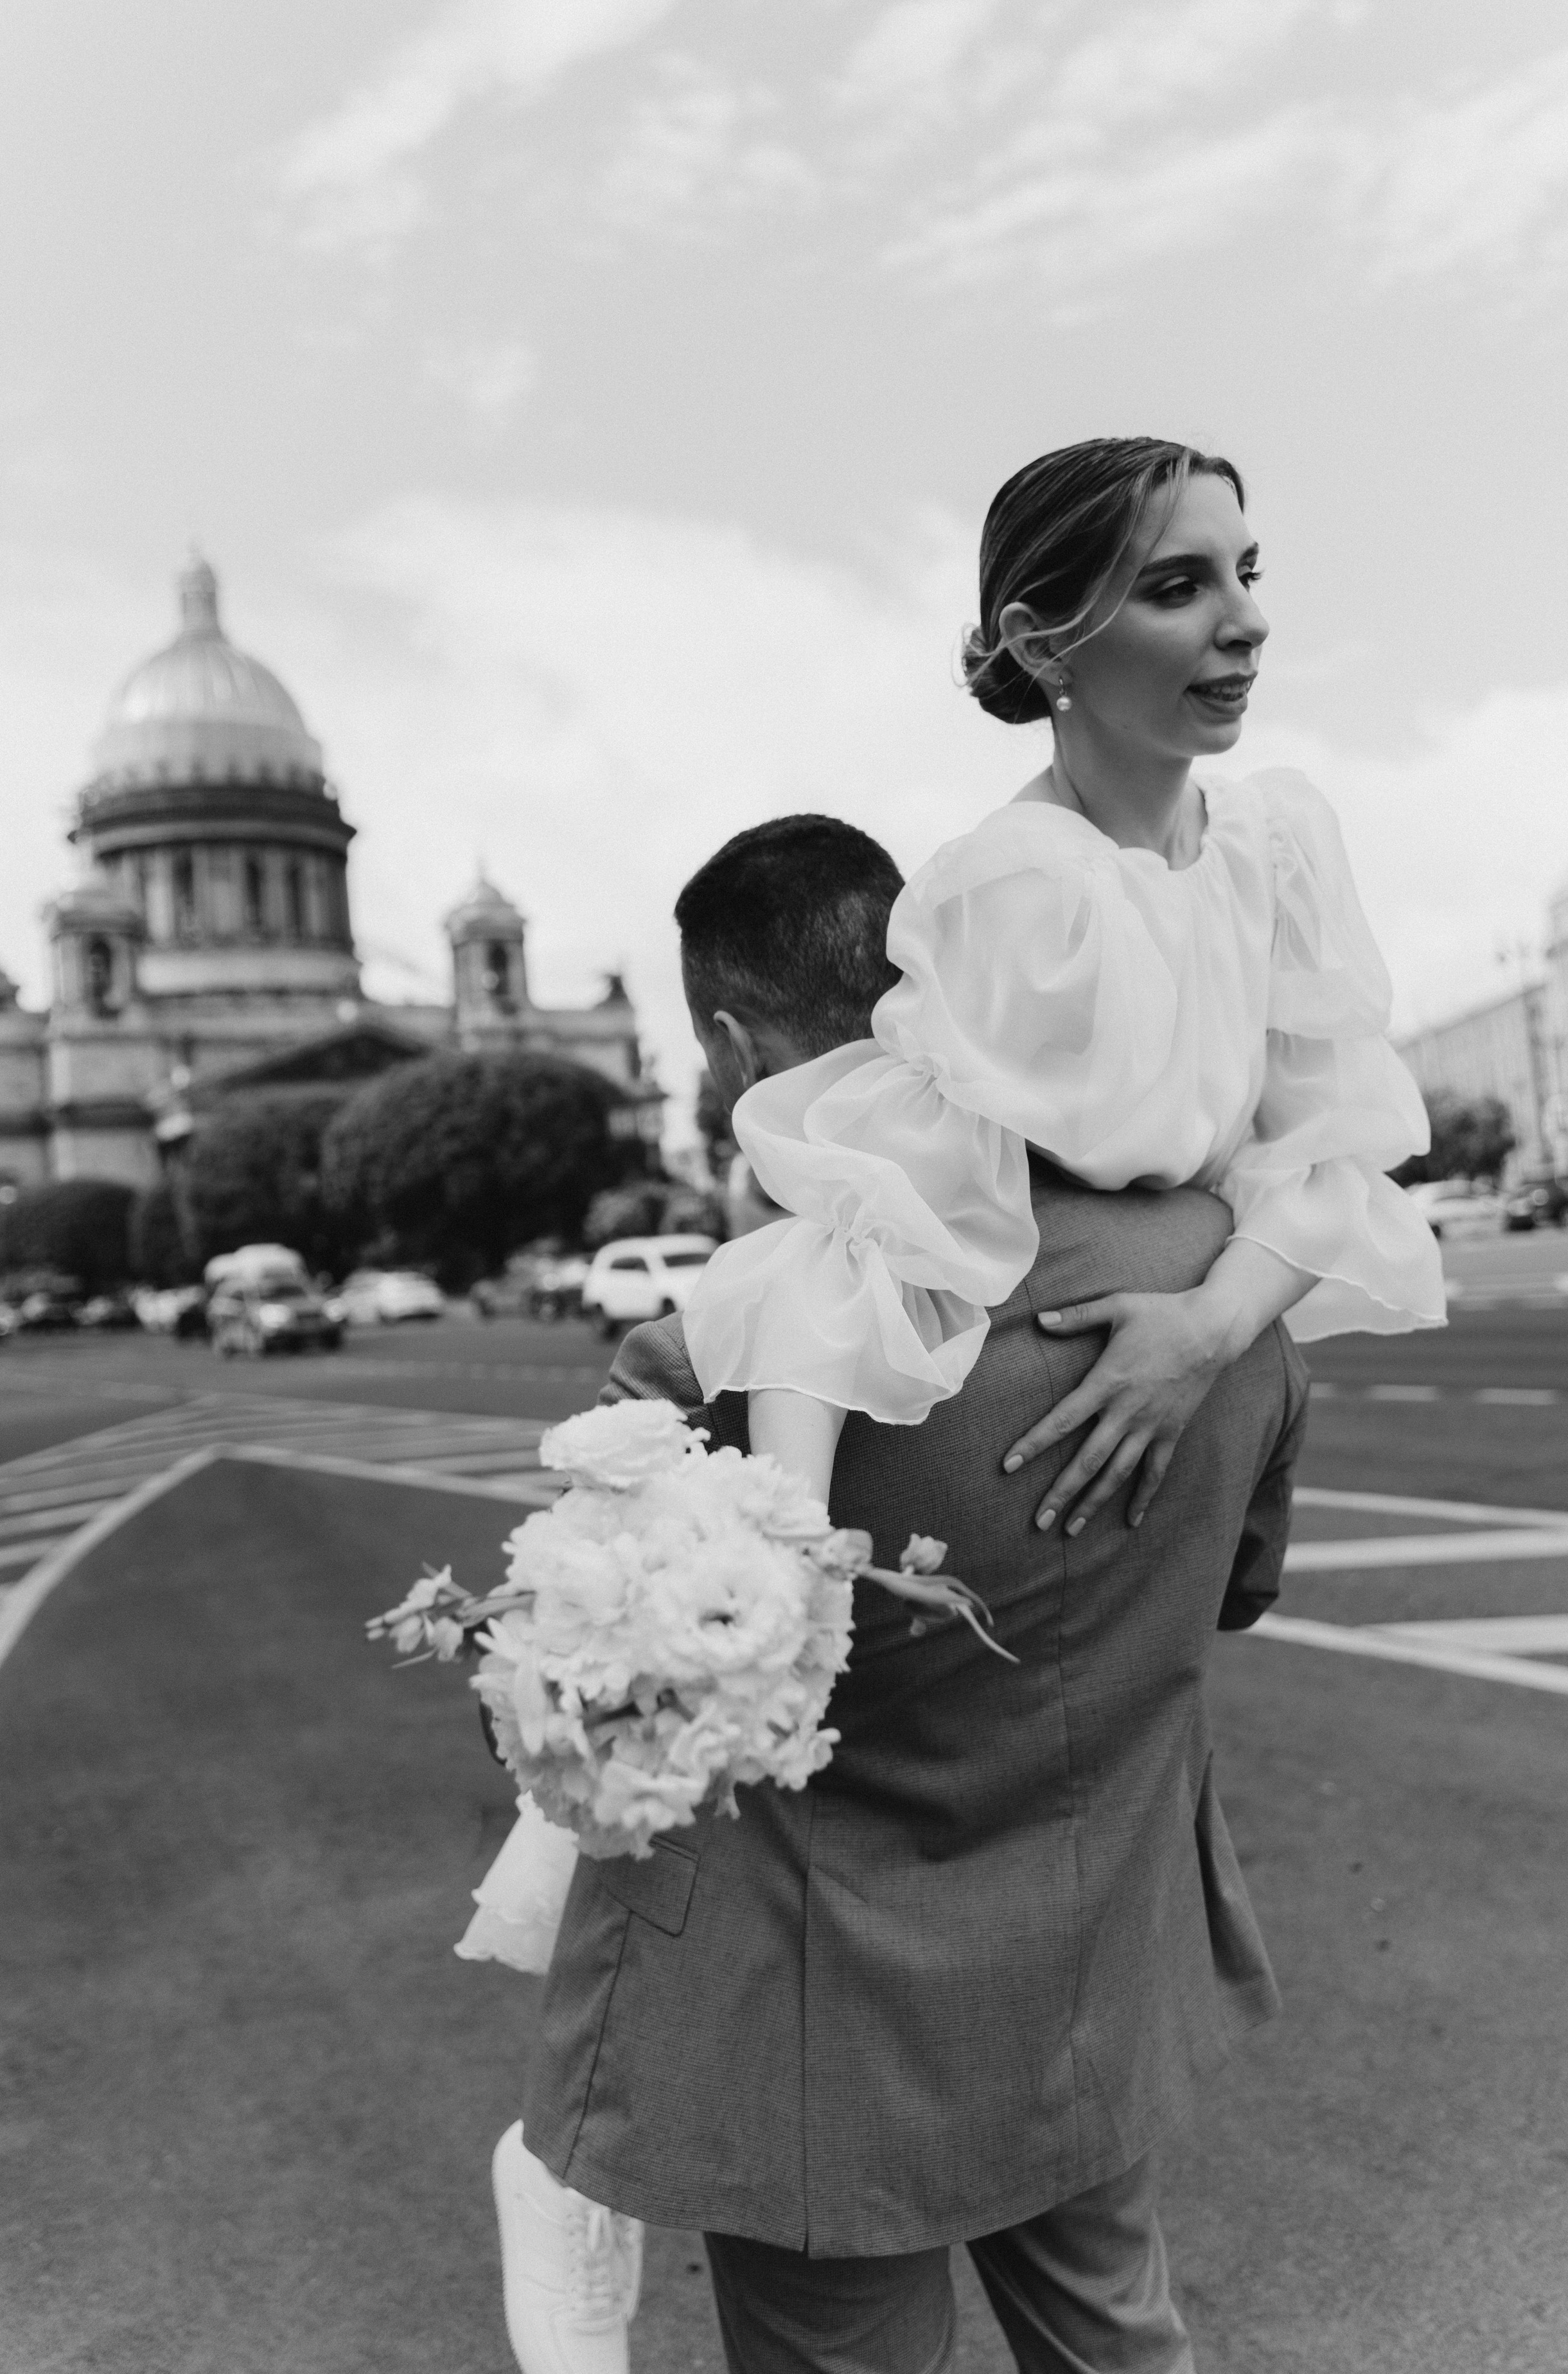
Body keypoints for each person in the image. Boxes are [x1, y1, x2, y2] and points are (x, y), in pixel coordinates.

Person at [499, 811, 1308, 2374]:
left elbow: (603, 1722)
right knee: (1118, 2343)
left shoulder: (705, 1358)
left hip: (815, 2031)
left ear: (732, 1047)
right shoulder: (1222, 1287)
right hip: (1086, 1965)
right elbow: (1237, 1590)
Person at [682, 436, 1445, 1524]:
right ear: (1044, 646)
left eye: (1247, 572)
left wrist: (1208, 1330)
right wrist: (785, 1544)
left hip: (1221, 1368)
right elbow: (874, 1227)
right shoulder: (1016, 888)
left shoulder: (1274, 846)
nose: (1248, 620)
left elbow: (1326, 1151)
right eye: (1178, 587)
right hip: (1035, 1404)